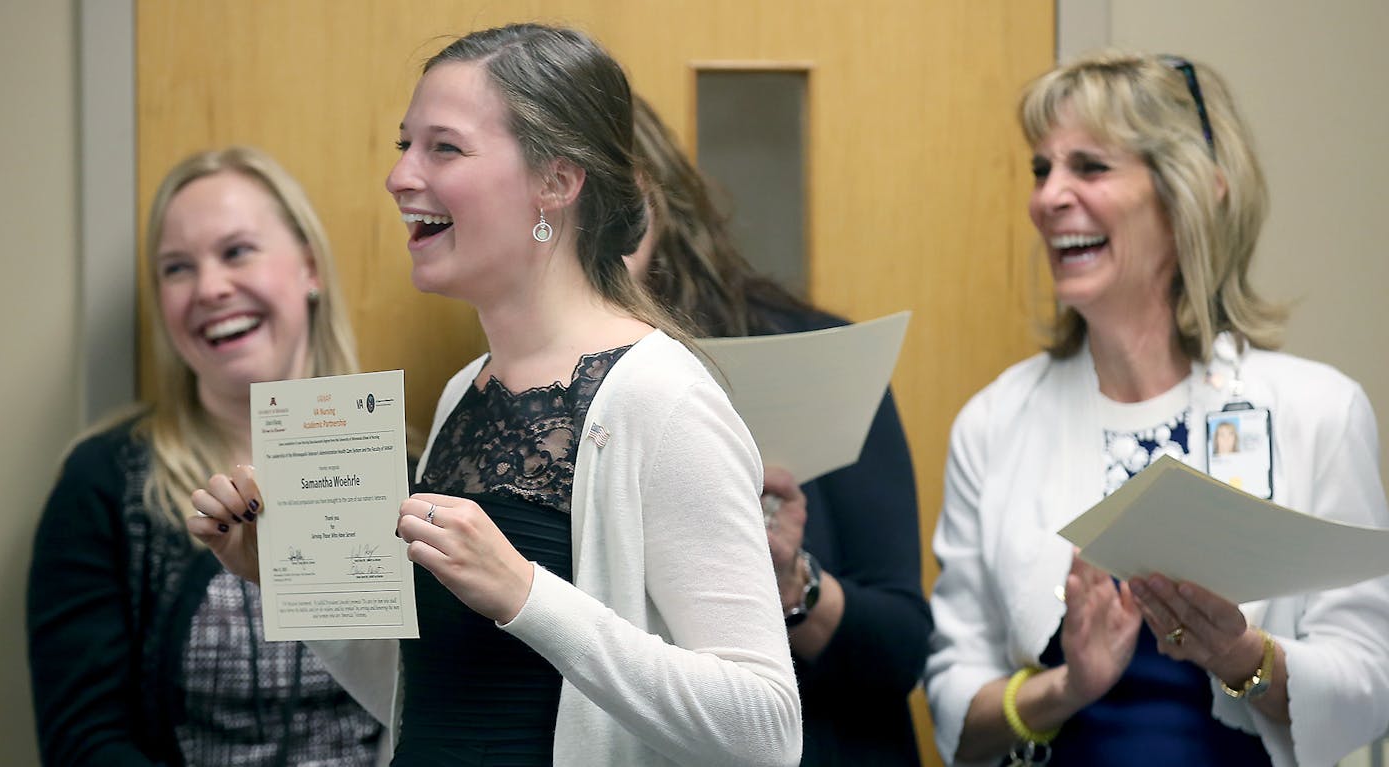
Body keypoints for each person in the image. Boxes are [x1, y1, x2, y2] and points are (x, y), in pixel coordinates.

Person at [188, 24, 802, 767]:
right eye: (403, 145)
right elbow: (431, 693)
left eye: (443, 147)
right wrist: (286, 573)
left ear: (557, 181)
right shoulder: (462, 396)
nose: (401, 176)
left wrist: (526, 594)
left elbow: (767, 731)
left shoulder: (661, 399)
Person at [923, 51, 1389, 767]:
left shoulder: (1318, 411)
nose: (1050, 197)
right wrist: (1066, 687)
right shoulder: (995, 422)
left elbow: (1370, 680)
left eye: (1090, 167)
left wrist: (1241, 656)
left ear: (1185, 198)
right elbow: (955, 700)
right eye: (1042, 170)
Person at [27, 147, 384, 766]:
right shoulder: (105, 483)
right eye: (176, 268)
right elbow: (83, 743)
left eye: (237, 251)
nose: (211, 287)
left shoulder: (412, 467)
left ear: (308, 266)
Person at [627, 95, 933, 765]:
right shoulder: (511, 395)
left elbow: (901, 646)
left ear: (646, 202)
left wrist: (792, 583)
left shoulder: (810, 357)